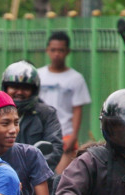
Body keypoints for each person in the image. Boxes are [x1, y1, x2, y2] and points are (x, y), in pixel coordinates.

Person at [37, 31, 91, 173]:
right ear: (47, 50)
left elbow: (77, 109)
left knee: (59, 177)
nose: (56, 54)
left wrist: (73, 137)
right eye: (53, 50)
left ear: (67, 52)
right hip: (41, 132)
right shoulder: (38, 75)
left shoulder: (75, 79)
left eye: (60, 50)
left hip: (65, 135)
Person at [1, 60, 63, 171]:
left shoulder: (47, 114)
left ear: (34, 90)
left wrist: (31, 170)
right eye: (14, 87)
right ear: (5, 88)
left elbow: (55, 149)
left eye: (25, 88)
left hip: (36, 178)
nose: (19, 92)